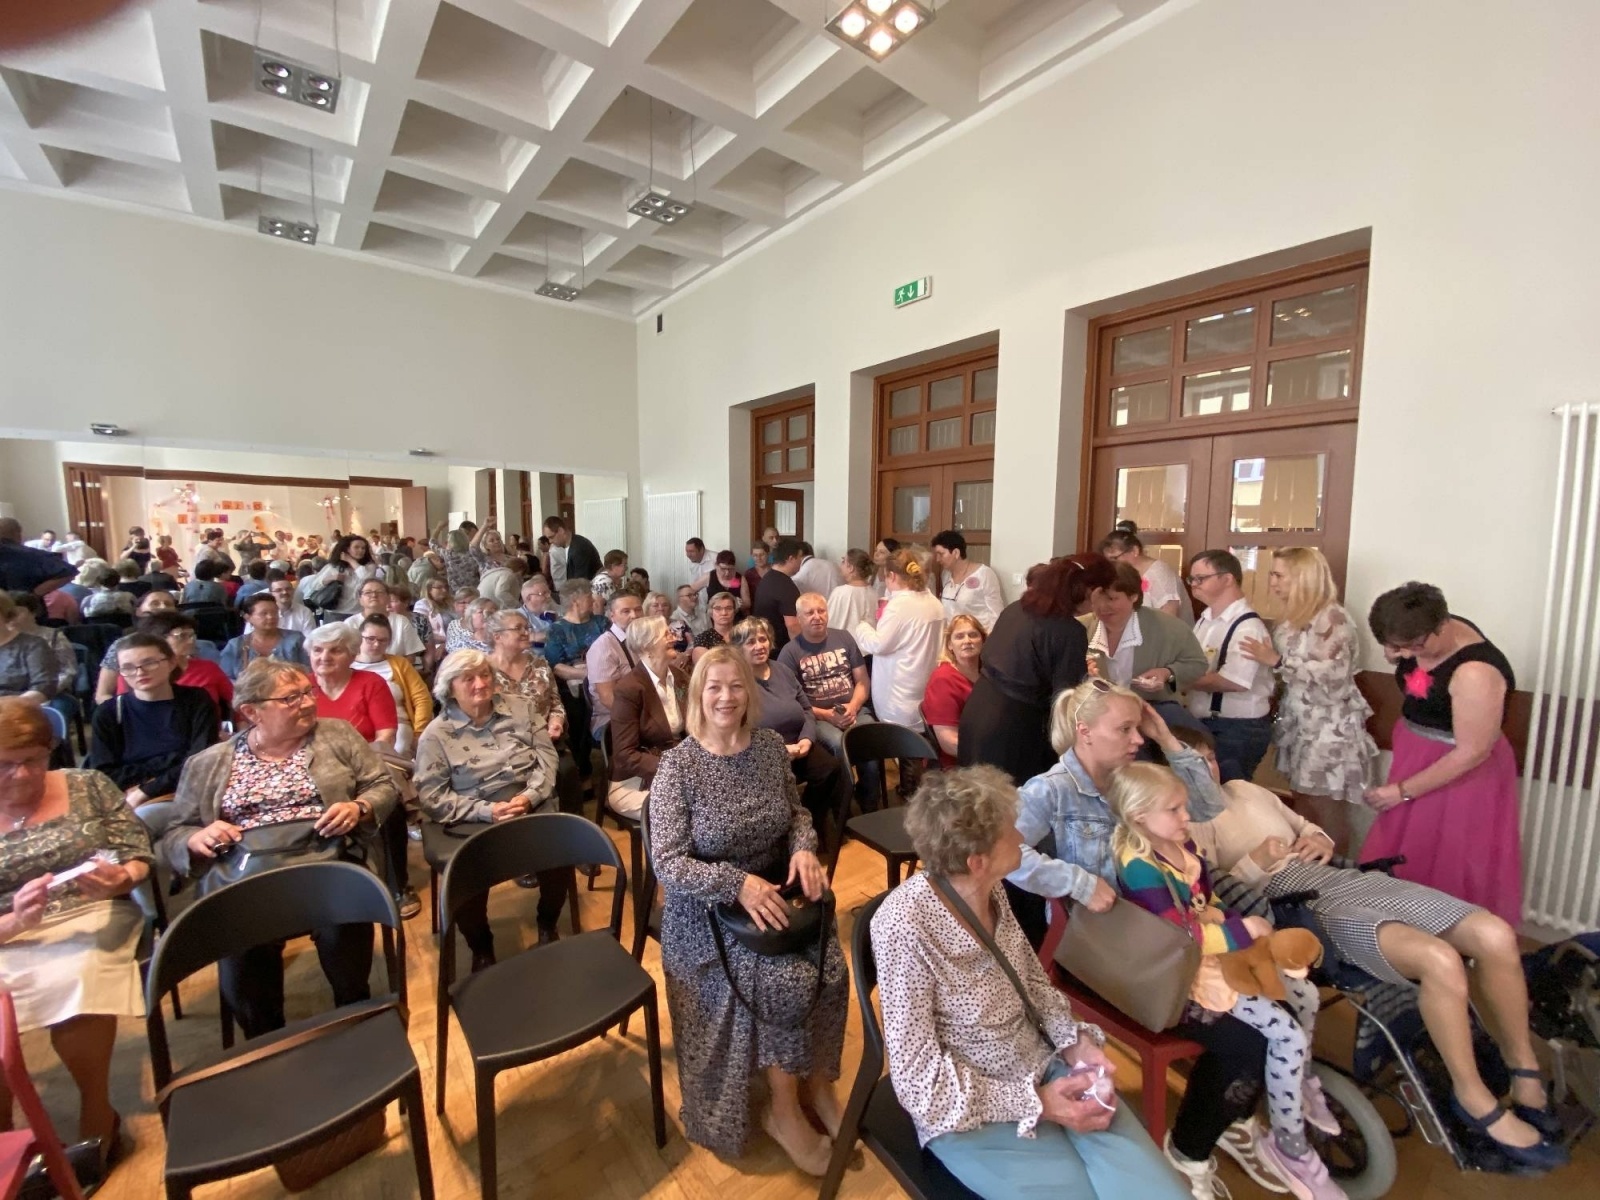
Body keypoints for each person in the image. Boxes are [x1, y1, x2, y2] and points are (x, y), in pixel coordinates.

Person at [1175, 724, 1568, 1171]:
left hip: (1342, 876)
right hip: (1293, 900)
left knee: (1494, 933)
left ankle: (1524, 1071)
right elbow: (1212, 894)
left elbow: (1308, 826)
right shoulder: (1187, 824)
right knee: (1438, 959)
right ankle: (1471, 1096)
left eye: (1206, 756)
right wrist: (1257, 862)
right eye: (1188, 759)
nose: (1203, 767)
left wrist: (1317, 840)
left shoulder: (1245, 788)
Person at [872, 765, 1187, 1200]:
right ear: (975, 861)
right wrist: (1038, 1102)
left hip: (1043, 1066)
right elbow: (919, 1085)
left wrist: (1075, 1043)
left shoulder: (990, 888)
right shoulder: (903, 926)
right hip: (973, 1112)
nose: (1022, 838)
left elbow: (1033, 985)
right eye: (1010, 832)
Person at [1006, 681, 1269, 1197]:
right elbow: (1005, 853)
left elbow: (1210, 805)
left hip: (1165, 936)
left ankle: (1229, 1113)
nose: (1134, 738)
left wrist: (1166, 737)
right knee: (1247, 1035)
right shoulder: (1051, 790)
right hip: (1111, 952)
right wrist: (1078, 882)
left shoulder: (1132, 780)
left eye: (1137, 727)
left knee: (1277, 995)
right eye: (1124, 729)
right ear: (1083, 732)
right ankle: (1188, 1148)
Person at [648, 647, 847, 1174]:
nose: (726, 697)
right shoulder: (679, 766)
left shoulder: (767, 747)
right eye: (713, 686)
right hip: (707, 917)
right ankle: (782, 1113)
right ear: (698, 695)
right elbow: (668, 863)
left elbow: (798, 813)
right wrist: (737, 884)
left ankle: (819, 1085)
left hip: (773, 893)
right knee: (783, 983)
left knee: (831, 963)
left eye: (736, 686)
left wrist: (805, 846)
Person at [1107, 762, 1345, 1200]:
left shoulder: (1185, 849)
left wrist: (1236, 922)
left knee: (1304, 994)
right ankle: (1288, 1147)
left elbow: (1207, 902)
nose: (1186, 817)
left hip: (1213, 952)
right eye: (1174, 810)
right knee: (1282, 1032)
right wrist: (1242, 930)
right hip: (1179, 972)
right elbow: (1176, 935)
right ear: (1140, 816)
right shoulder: (1141, 866)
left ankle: (1290, 1089)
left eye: (1183, 807)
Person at [160, 660, 397, 1037]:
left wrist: (359, 807)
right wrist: (195, 837)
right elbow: (175, 831)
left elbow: (382, 785)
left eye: (308, 692)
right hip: (247, 874)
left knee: (345, 922)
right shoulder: (208, 763)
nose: (307, 703)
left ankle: (355, 1014)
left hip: (327, 860)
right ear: (252, 711)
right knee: (243, 944)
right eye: (291, 698)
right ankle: (267, 1038)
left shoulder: (337, 734)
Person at [0, 697, 152, 1169]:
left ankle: (96, 1114)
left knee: (77, 971)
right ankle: (6, 1140)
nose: (23, 775)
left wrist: (123, 878)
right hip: (8, 928)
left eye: (34, 761)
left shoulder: (87, 785)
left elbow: (136, 850)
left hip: (91, 911)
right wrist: (16, 922)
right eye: (5, 765)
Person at [1361, 583, 1522, 925]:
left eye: (1412, 646)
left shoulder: (1476, 672)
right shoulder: (1418, 635)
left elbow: (1473, 752)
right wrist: (1397, 651)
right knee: (1403, 849)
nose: (1403, 655)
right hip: (1418, 755)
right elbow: (1421, 681)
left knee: (1446, 856)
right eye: (1394, 647)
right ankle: (1396, 936)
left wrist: (1402, 791)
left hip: (1459, 771)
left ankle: (1444, 943)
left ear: (1441, 625)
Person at [414, 650, 565, 965]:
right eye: (468, 678)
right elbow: (432, 797)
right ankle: (481, 947)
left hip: (527, 799)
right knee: (467, 870)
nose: (481, 683)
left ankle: (547, 923)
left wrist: (531, 796)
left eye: (485, 674)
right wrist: (486, 810)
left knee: (562, 847)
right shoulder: (436, 735)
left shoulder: (521, 708)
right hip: (474, 813)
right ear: (449, 686)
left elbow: (547, 758)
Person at [1235, 549, 1379, 853]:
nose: (1271, 582)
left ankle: (1335, 872)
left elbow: (1333, 678)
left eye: (1278, 575)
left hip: (1329, 728)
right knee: (1303, 807)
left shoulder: (1333, 618)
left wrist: (1276, 661)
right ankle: (1310, 870)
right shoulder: (1290, 620)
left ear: (1303, 578)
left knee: (1324, 808)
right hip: (1298, 723)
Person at [959, 554, 1115, 785]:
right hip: (1015, 727)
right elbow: (1065, 700)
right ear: (1092, 591)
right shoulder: (1068, 630)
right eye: (1106, 595)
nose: (1105, 604)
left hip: (978, 710)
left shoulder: (1016, 609)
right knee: (1014, 806)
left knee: (978, 799)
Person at [733, 617, 850, 837]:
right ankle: (782, 834)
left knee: (831, 769)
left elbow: (806, 709)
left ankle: (808, 827)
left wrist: (806, 739)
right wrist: (780, 748)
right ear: (738, 648)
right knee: (777, 787)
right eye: (750, 642)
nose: (759, 646)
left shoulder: (782, 670)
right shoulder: (737, 681)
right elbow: (739, 728)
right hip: (762, 752)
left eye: (762, 639)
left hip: (799, 744)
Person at [89, 633, 219, 824]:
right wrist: (173, 759)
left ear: (171, 662)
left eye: (149, 662)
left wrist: (146, 790)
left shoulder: (197, 700)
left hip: (189, 791)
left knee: (146, 822)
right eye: (128, 668)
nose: (140, 672)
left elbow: (199, 763)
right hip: (128, 797)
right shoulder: (108, 713)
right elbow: (105, 775)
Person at [853, 550, 944, 795]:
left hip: (899, 685)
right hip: (923, 680)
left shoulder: (899, 605)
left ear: (891, 575)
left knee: (905, 746)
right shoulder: (934, 602)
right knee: (918, 744)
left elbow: (879, 644)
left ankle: (909, 794)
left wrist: (863, 626)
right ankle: (915, 791)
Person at [777, 593, 877, 810]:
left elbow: (862, 681)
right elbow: (793, 701)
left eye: (821, 611)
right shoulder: (790, 652)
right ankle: (842, 808)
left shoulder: (844, 638)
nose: (816, 617)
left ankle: (870, 805)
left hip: (854, 709)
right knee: (837, 745)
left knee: (869, 740)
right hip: (818, 716)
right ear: (799, 618)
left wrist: (853, 707)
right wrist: (826, 715)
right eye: (810, 613)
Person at [1084, 562, 1208, 733]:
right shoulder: (1084, 628)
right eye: (1096, 599)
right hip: (1104, 720)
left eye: (1112, 599)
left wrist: (1167, 673)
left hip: (1154, 718)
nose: (1102, 607)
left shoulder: (1169, 627)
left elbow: (1197, 664)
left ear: (1134, 596)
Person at [1184, 550, 1274, 783]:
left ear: (1227, 579)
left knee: (1230, 793)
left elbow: (1233, 681)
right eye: (1191, 579)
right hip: (1205, 722)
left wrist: (1178, 679)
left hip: (1237, 728)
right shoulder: (1205, 619)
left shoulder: (1247, 626)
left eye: (1200, 578)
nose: (1194, 585)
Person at [605, 615, 687, 819]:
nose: (674, 636)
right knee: (685, 811)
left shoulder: (680, 678)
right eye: (666, 633)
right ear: (646, 646)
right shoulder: (629, 689)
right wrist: (672, 769)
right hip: (636, 781)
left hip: (680, 772)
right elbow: (625, 754)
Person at [109, 612, 232, 718]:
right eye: (182, 636)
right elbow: (127, 711)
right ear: (158, 639)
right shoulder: (134, 674)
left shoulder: (208, 669)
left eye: (191, 635)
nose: (191, 641)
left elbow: (236, 700)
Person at [306, 623, 398, 748]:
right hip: (310, 762)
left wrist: (367, 763)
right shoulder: (299, 686)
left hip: (364, 762)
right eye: (317, 650)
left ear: (352, 656)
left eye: (335, 651)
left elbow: (386, 735)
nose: (325, 657)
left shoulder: (372, 683)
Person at [352, 614, 432, 756]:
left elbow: (422, 698)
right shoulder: (347, 665)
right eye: (371, 639)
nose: (377, 644)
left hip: (398, 724)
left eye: (383, 640)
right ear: (359, 638)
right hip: (356, 726)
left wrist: (419, 731)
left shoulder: (400, 664)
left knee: (397, 751)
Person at [924, 614, 985, 768]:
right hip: (960, 767)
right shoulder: (943, 680)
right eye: (959, 636)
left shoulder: (988, 672)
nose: (967, 641)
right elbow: (948, 743)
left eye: (973, 635)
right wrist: (992, 754)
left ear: (983, 641)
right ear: (950, 645)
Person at [1099, 524, 1192, 622]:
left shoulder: (1159, 574)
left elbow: (1169, 618)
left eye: (1115, 558)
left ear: (1134, 551)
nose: (1112, 563)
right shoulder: (1126, 575)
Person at [585, 590, 642, 736]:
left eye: (638, 609)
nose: (634, 616)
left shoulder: (642, 639)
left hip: (643, 708)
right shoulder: (603, 647)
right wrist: (646, 717)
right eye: (626, 611)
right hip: (612, 720)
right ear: (612, 616)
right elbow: (608, 699)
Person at [220, 592, 309, 679]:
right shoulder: (235, 645)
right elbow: (225, 680)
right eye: (264, 613)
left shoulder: (296, 639)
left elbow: (308, 672)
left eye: (274, 612)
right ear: (248, 617)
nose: (271, 617)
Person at [932, 530, 1005, 632]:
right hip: (953, 640)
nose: (938, 559)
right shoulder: (946, 575)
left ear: (956, 553)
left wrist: (990, 642)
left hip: (979, 640)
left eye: (941, 554)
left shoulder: (984, 574)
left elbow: (996, 615)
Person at [342, 578, 424, 660]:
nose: (374, 595)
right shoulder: (350, 623)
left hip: (395, 670)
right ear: (360, 599)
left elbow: (411, 655)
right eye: (368, 593)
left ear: (388, 598)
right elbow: (345, 655)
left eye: (379, 592)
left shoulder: (401, 621)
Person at [305, 534, 381, 618]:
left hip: (358, 613)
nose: (361, 550)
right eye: (356, 547)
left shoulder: (369, 567)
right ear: (346, 549)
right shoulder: (333, 567)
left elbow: (367, 579)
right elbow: (313, 586)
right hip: (334, 612)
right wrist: (331, 578)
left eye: (363, 548)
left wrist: (350, 560)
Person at [0, 592, 57, 704]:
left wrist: (8, 707)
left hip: (19, 710)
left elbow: (43, 687)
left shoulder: (34, 645)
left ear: (5, 615)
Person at [0, 518, 74, 598]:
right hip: (25, 605)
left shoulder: (29, 554)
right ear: (18, 533)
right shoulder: (32, 555)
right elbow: (68, 571)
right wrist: (34, 594)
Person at [753, 537, 804, 651]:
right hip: (779, 648)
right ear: (791, 558)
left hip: (765, 643)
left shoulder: (767, 578)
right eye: (800, 557)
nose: (801, 561)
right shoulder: (785, 585)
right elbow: (792, 625)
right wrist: (801, 650)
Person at [542, 516, 601, 588]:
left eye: (551, 537)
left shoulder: (579, 548)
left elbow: (581, 583)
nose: (550, 541)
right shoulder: (573, 544)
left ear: (561, 530)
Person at [827, 549, 876, 632]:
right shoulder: (874, 593)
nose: (840, 565)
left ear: (851, 568)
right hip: (867, 643)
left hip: (843, 643)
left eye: (843, 561)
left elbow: (829, 621)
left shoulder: (840, 593)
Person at [431, 523, 480, 594]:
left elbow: (432, 543)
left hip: (455, 591)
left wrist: (438, 528)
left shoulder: (447, 554)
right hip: (474, 589)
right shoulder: (473, 553)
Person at [693, 590, 739, 665]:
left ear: (734, 611)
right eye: (718, 609)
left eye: (729, 608)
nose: (724, 613)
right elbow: (704, 668)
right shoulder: (703, 639)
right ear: (711, 612)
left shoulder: (743, 635)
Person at [516, 576, 559, 649]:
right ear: (529, 598)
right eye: (543, 593)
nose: (549, 596)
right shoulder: (517, 617)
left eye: (548, 592)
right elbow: (516, 640)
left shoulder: (554, 607)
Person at [646, 590, 693, 655]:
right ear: (647, 609)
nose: (661, 608)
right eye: (655, 605)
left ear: (670, 608)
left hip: (682, 661)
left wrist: (684, 656)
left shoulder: (681, 624)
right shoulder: (643, 628)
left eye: (665, 605)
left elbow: (692, 644)